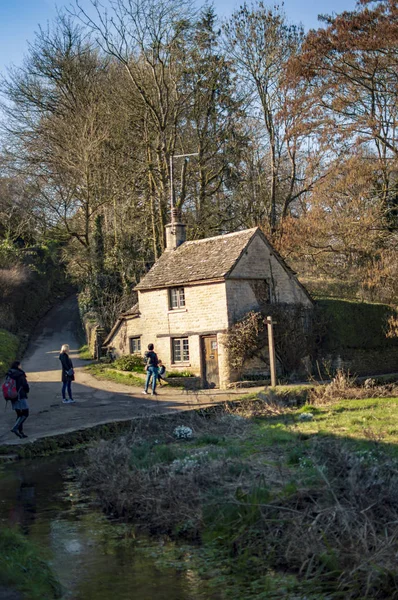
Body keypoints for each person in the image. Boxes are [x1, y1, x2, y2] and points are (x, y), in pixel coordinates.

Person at [7, 361, 30, 439]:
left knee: (19, 414)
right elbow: (25, 385)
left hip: (12, 396)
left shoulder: (10, 374)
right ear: (18, 366)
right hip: (20, 396)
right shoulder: (20, 374)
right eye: (20, 365)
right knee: (25, 413)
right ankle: (15, 428)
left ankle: (20, 432)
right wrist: (27, 390)